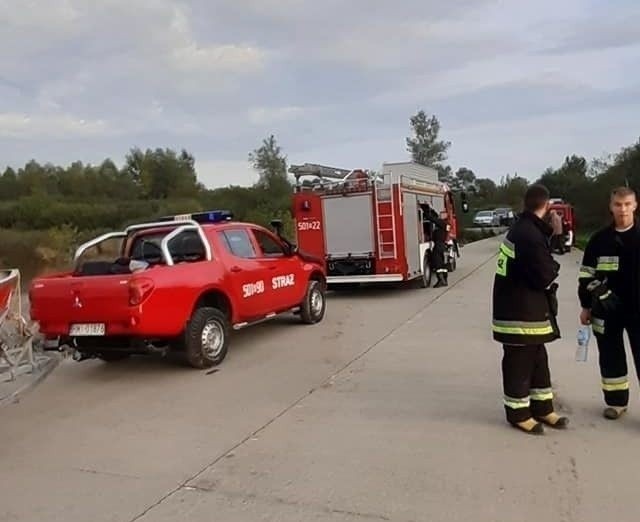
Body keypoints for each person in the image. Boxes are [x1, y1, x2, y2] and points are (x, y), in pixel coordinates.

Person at [492, 184, 568, 435]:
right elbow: (545, 275)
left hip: (527, 310)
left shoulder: (526, 229)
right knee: (519, 364)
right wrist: (555, 253)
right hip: (518, 313)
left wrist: (552, 239)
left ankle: (543, 408)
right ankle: (518, 414)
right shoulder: (528, 235)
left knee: (538, 360)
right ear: (546, 206)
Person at [578, 186, 640, 420]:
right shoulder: (599, 240)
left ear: (635, 205)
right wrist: (587, 304)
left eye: (627, 204)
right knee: (610, 356)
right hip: (606, 310)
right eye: (618, 205)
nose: (622, 209)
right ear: (611, 207)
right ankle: (616, 403)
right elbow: (586, 275)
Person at [420, 202, 448, 287]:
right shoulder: (445, 224)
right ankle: (444, 280)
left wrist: (425, 211)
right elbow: (435, 218)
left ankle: (441, 281)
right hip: (442, 245)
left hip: (438, 246)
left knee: (438, 264)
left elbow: (432, 219)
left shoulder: (442, 223)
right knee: (442, 265)